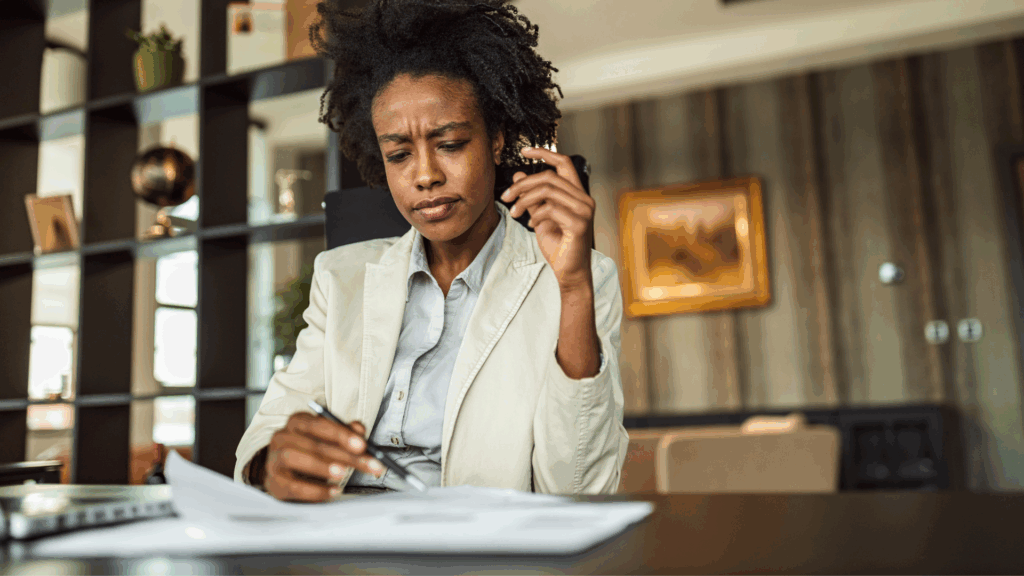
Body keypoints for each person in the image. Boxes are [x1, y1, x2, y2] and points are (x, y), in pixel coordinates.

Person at [234, 0, 627, 501]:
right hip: (336, 535)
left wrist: (572, 289)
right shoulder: (341, 276)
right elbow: (267, 433)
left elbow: (580, 487)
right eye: (399, 154)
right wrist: (273, 463)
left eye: (451, 144)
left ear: (497, 140)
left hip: (471, 544)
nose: (425, 175)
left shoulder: (583, 281)